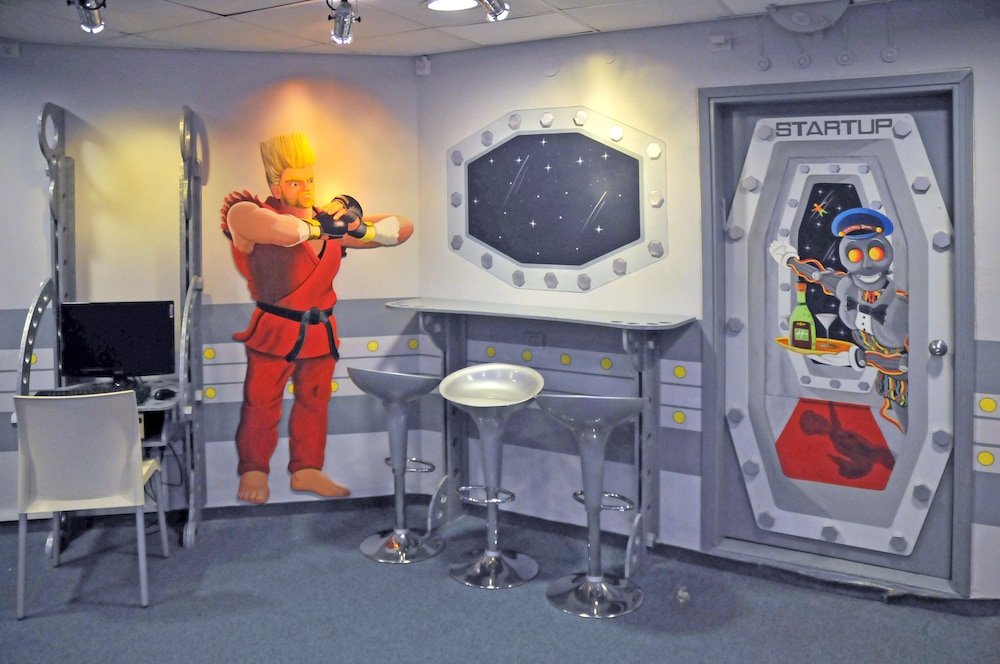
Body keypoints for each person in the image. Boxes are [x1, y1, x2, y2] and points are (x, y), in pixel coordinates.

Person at [220, 133, 413, 504]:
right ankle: (254, 469)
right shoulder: (246, 213)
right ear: (276, 186)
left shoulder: (327, 222)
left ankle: (307, 469)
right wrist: (325, 226)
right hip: (275, 327)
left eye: (310, 179)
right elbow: (282, 231)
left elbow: (402, 228)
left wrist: (357, 223)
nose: (307, 188)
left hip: (319, 329)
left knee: (314, 400)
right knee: (262, 402)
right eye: (296, 182)